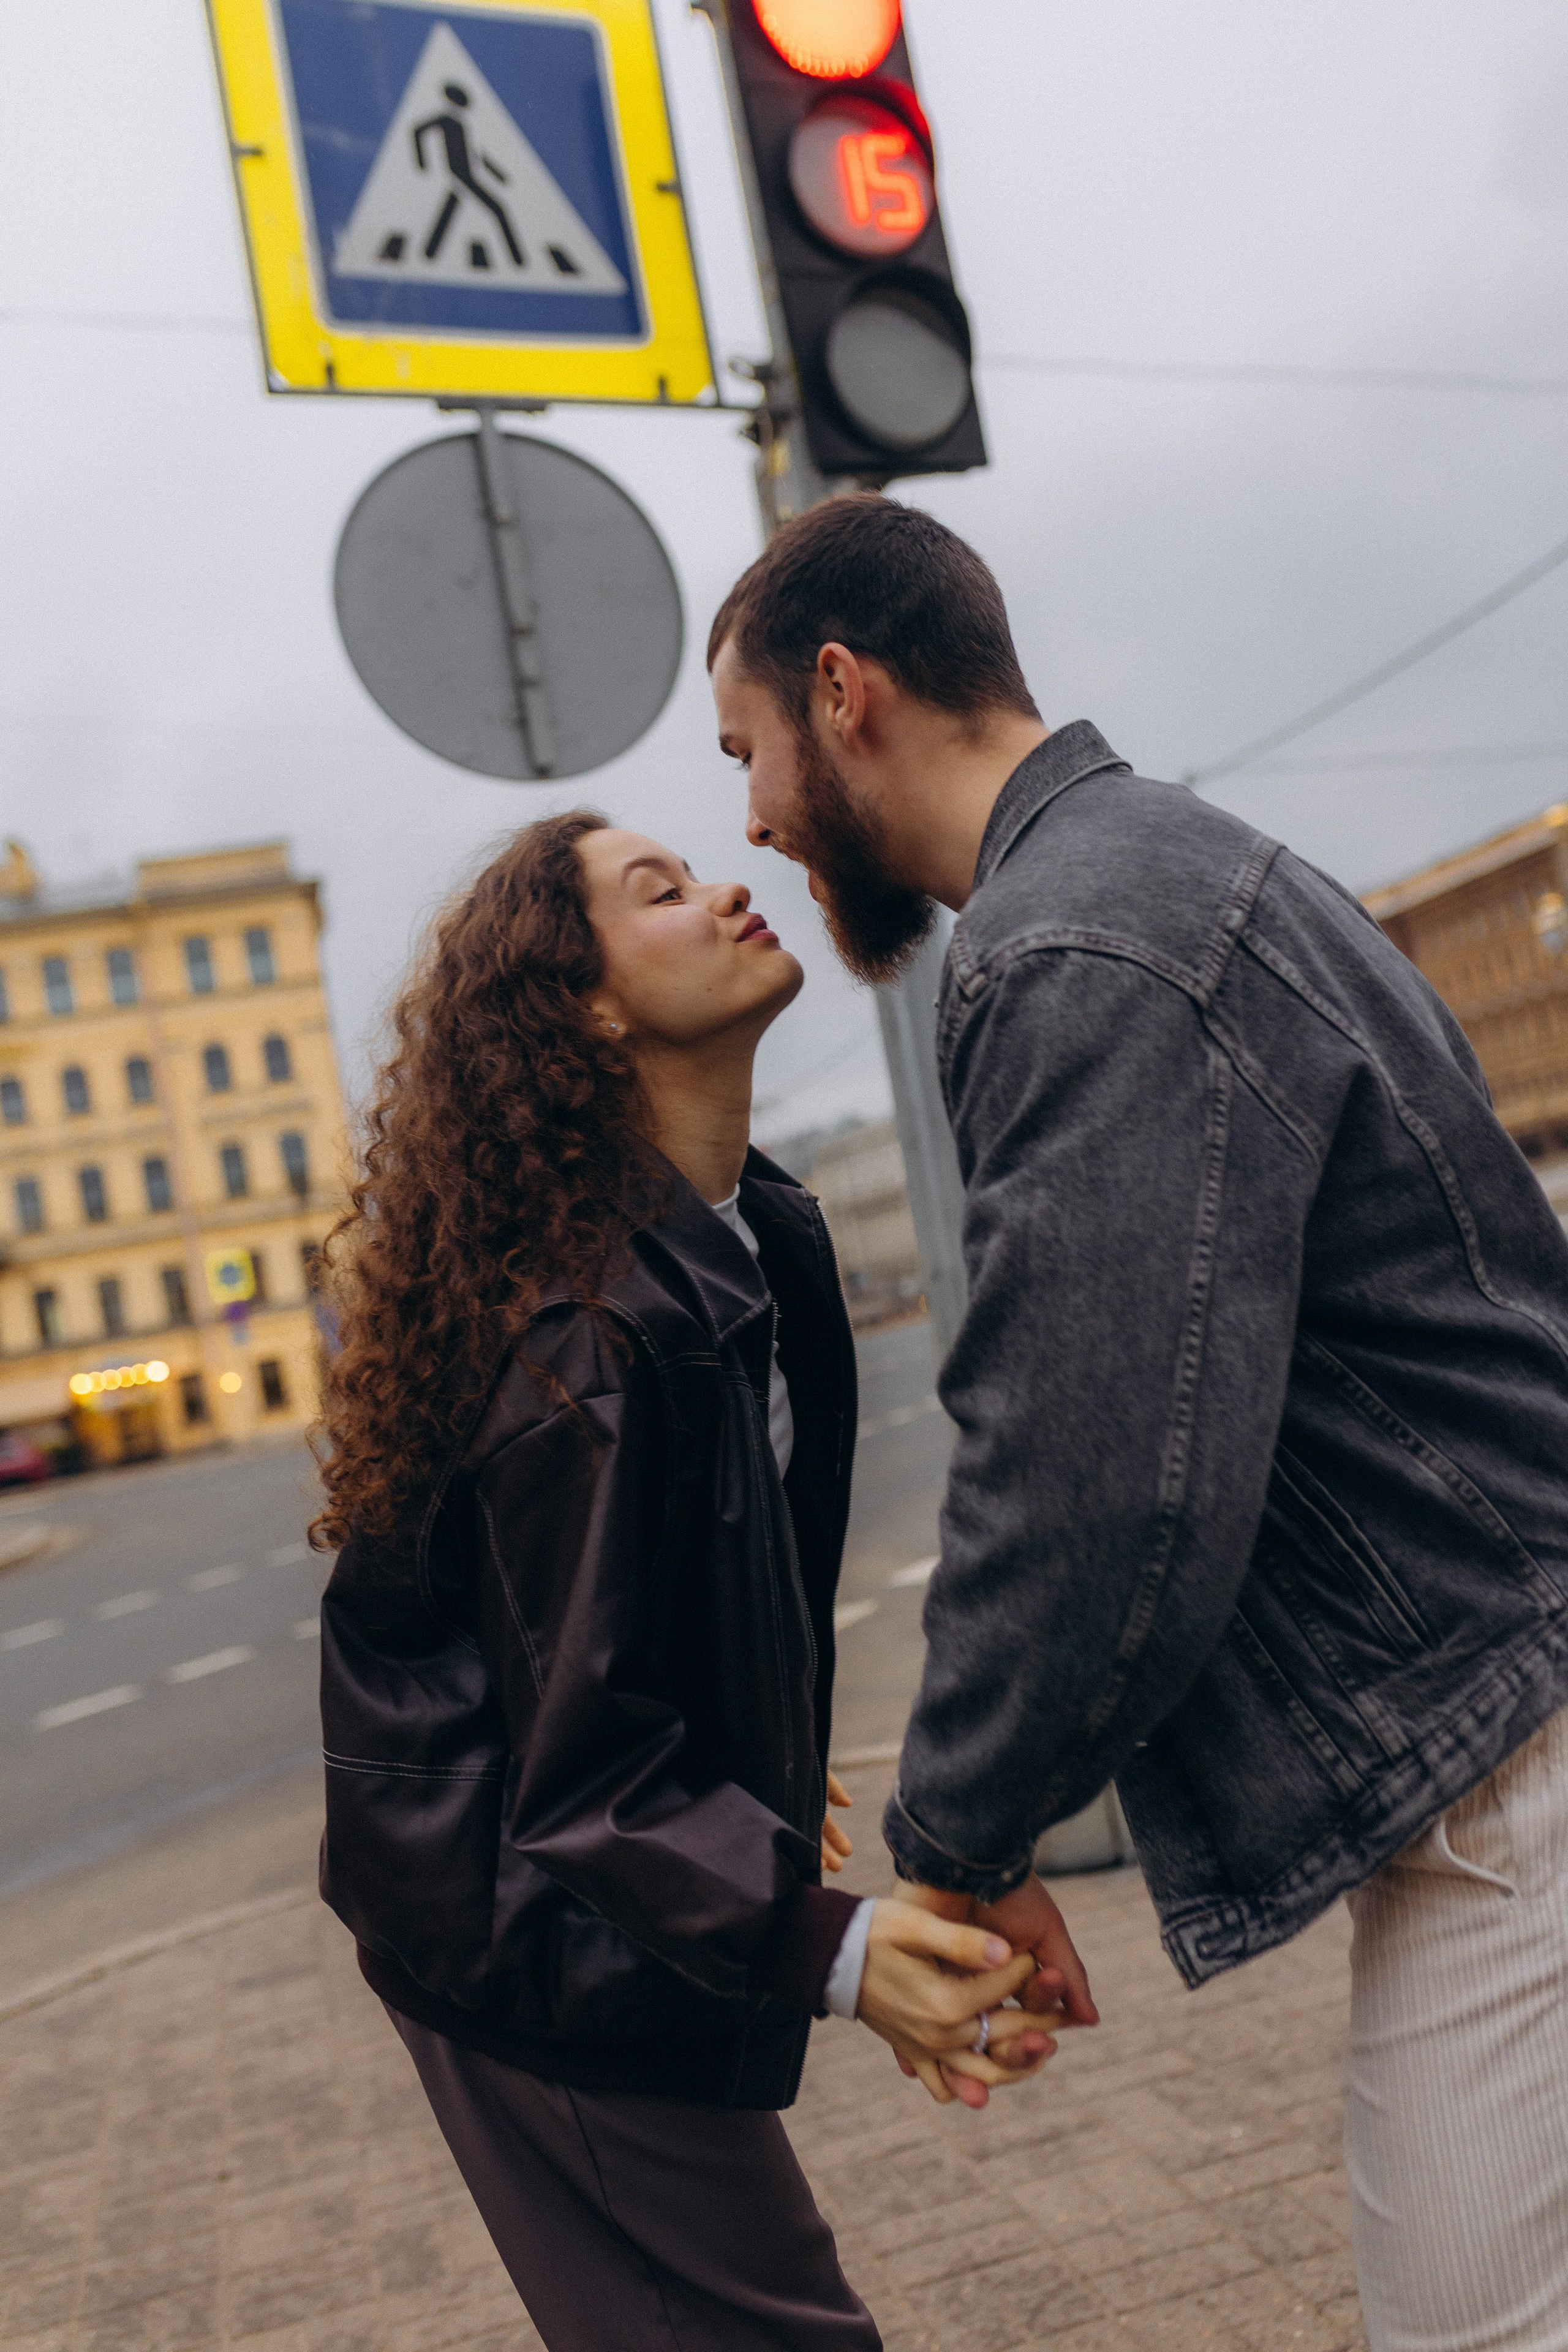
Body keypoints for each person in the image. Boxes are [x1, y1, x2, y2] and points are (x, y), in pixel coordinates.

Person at [709, 496, 1568, 2350]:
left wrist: (958, 1844)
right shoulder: (1181, 865)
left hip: (1515, 1769)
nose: (754, 821)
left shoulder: (1078, 948)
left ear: (843, 693)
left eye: (744, 752)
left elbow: (1087, 1478)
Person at [309, 812, 1068, 2352]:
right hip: (522, 1932)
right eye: (657, 893)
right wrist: (839, 1954)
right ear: (585, 1009)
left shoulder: (756, 1235)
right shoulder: (582, 1340)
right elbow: (584, 1770)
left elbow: (672, 1599)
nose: (728, 889)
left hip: (608, 1898)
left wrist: (754, 1761)